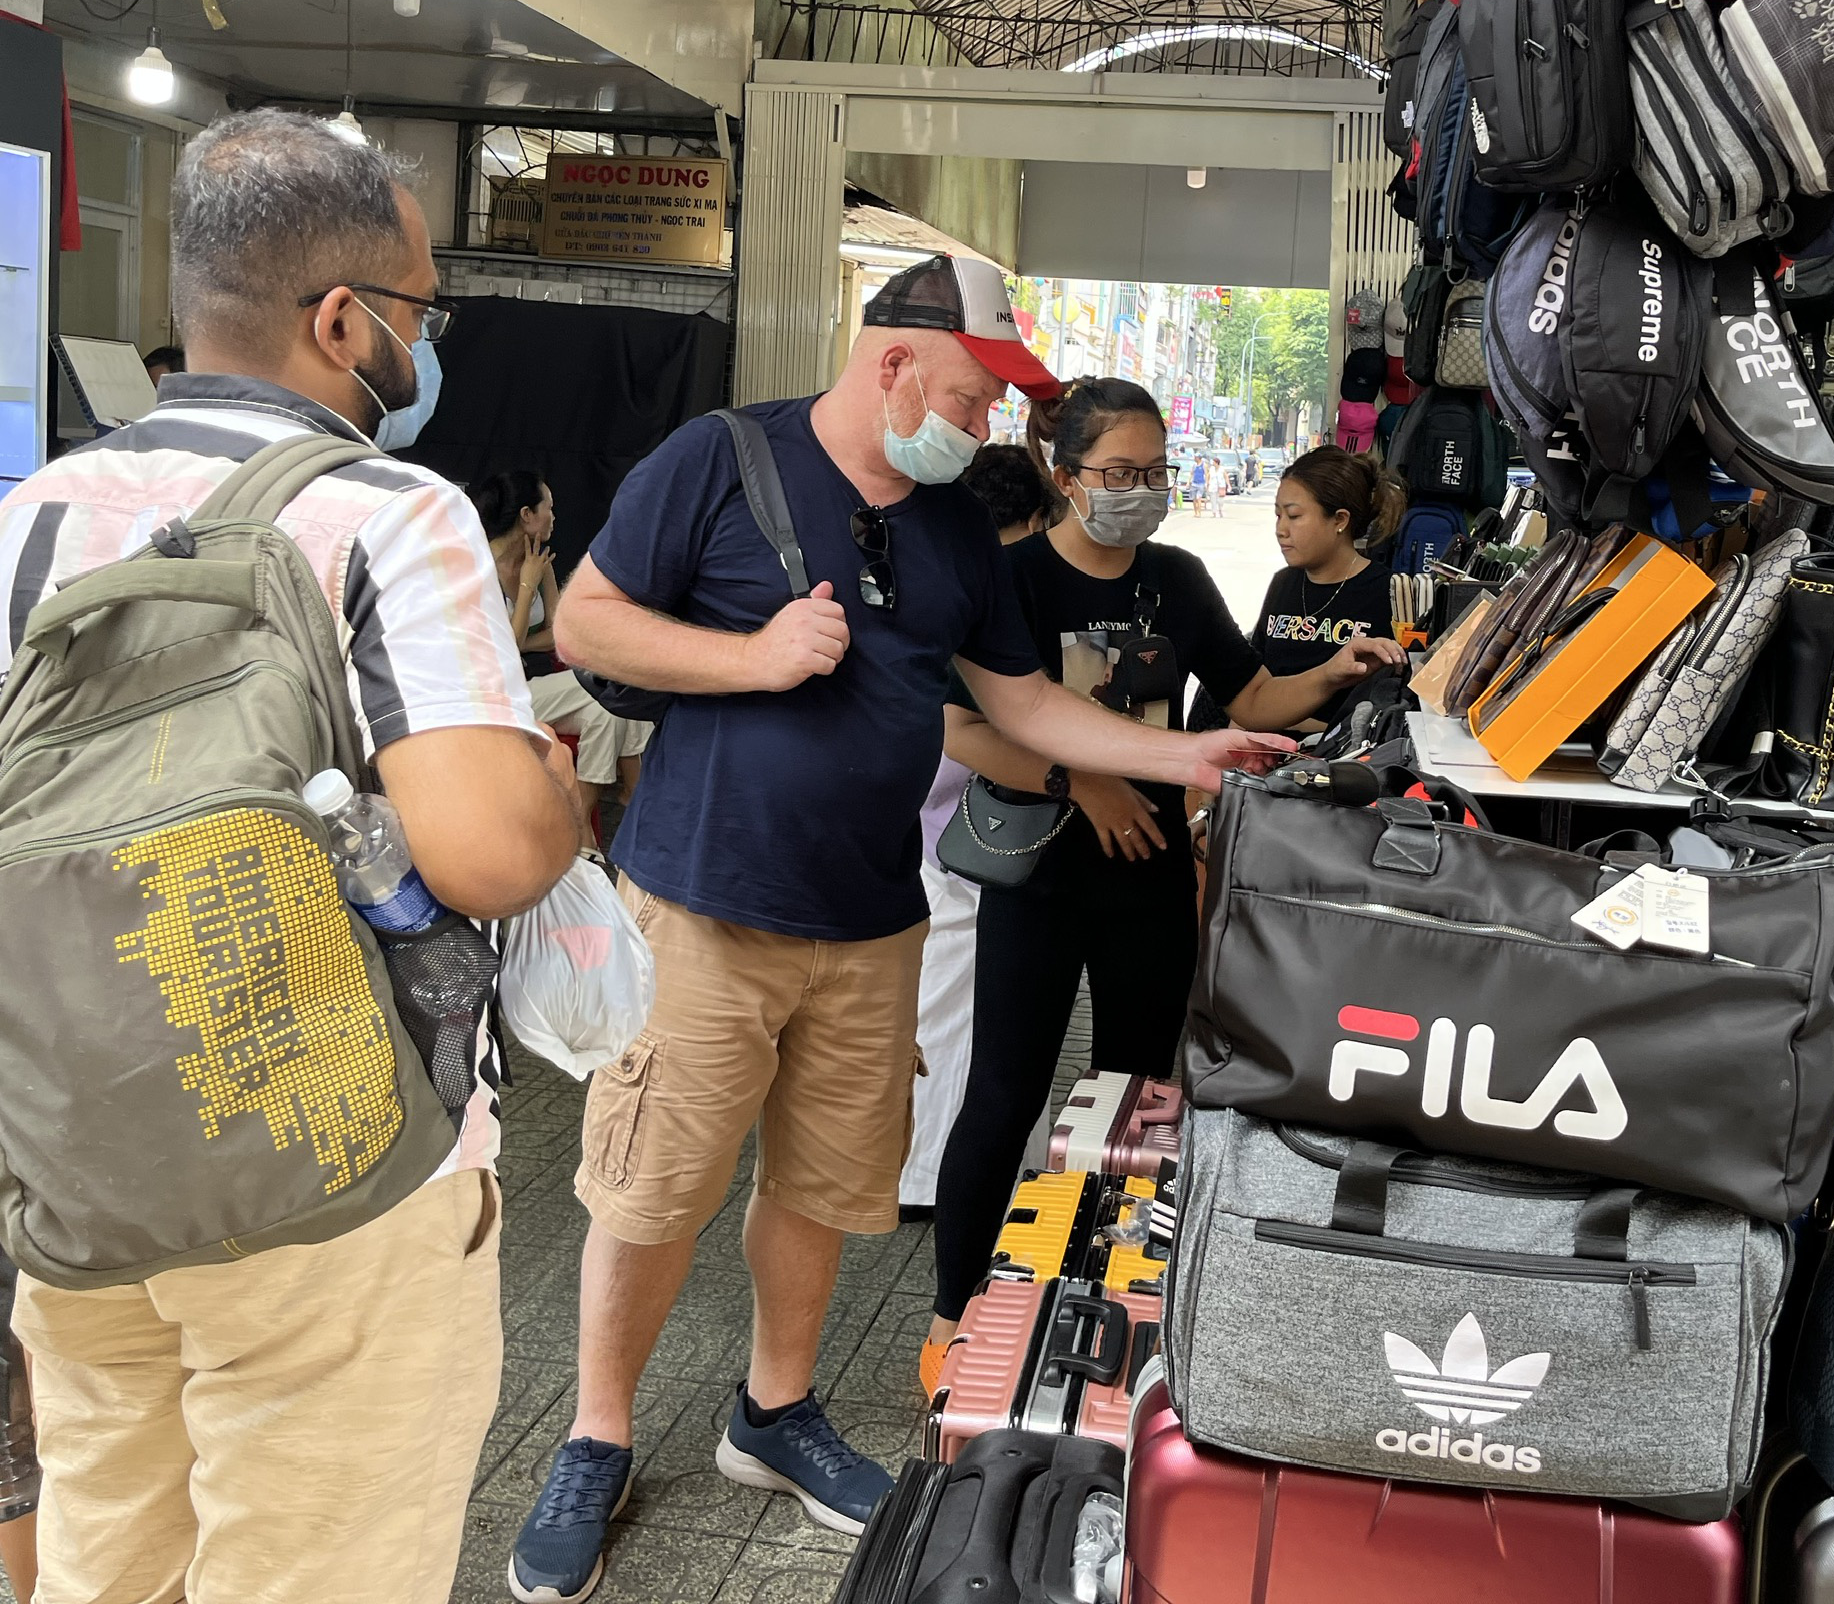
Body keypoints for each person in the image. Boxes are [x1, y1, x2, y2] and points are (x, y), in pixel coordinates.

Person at [0, 109, 582, 1604]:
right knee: (321, 1556)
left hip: (77, 1168)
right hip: (329, 1166)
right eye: (418, 310)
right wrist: (554, 796)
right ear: (342, 319)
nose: (421, 346)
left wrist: (100, 972)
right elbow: (490, 855)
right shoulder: (389, 513)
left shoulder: (34, 520)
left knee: (109, 1544)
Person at [513, 256, 1291, 1600]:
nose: (988, 426)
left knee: (823, 1185)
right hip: (705, 902)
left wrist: (1194, 756)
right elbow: (588, 622)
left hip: (871, 919)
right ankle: (595, 1433)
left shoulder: (946, 534)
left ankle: (775, 1409)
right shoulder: (720, 458)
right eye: (980, 395)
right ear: (894, 364)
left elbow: (1031, 709)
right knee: (653, 1186)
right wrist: (749, 658)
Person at [919, 378, 1405, 1388]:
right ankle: (951, 1317)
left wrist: (1334, 674)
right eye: (1119, 473)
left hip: (1148, 879)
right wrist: (1081, 781)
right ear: (1064, 477)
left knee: (1141, 1103)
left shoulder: (1176, 580)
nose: (1140, 491)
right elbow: (965, 727)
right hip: (1037, 875)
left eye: (1154, 472)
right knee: (1004, 1095)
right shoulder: (1006, 582)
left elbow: (1249, 691)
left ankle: (1114, 1297)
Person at [902, 444, 1055, 1215]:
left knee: (941, 999)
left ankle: (931, 1164)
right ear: (1031, 520)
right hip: (962, 825)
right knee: (955, 1004)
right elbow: (972, 726)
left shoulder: (931, 562)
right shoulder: (1000, 586)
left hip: (921, 815)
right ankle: (930, 1172)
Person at [471, 470, 650, 835]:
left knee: (608, 712)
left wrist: (518, 638)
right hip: (494, 695)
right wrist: (526, 587)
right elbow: (501, 651)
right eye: (548, 508)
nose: (554, 516)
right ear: (527, 515)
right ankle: (632, 797)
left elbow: (557, 635)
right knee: (615, 680)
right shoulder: (477, 567)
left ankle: (582, 821)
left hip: (533, 684)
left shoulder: (538, 560)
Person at [1187, 445, 1404, 736]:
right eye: (1278, 516)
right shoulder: (1283, 583)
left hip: (1335, 759)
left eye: (1294, 516)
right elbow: (1255, 683)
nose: (1281, 529)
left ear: (1340, 520)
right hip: (1257, 753)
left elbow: (1382, 707)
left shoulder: (1390, 593)